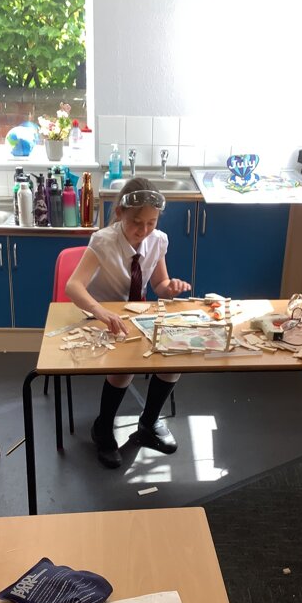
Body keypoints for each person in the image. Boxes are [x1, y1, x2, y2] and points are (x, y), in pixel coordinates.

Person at [65, 177, 191, 468]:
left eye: (151, 223)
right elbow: (73, 286)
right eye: (137, 222)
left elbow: (159, 285)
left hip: (135, 315)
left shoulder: (158, 240)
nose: (144, 231)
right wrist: (101, 312)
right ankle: (103, 426)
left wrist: (171, 288)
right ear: (120, 213)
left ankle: (149, 423)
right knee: (125, 365)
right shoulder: (103, 241)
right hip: (99, 316)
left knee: (174, 358)